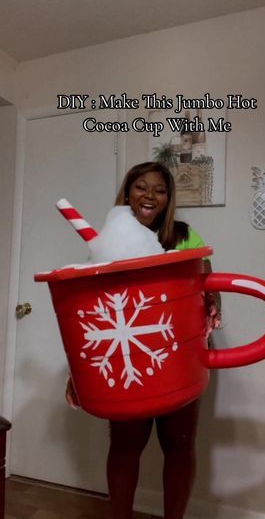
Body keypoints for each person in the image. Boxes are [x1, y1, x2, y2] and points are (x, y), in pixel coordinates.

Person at [66, 161, 221, 519]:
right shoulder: (105, 243)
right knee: (124, 445)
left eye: (160, 189)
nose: (149, 195)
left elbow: (208, 287)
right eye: (140, 186)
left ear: (169, 199)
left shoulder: (184, 237)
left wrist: (213, 306)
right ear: (127, 192)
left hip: (179, 359)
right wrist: (78, 371)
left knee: (179, 446)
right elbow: (90, 316)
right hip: (126, 360)